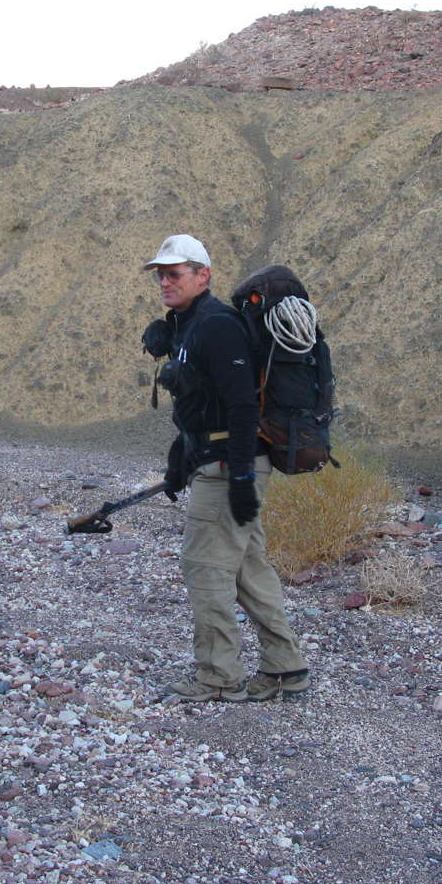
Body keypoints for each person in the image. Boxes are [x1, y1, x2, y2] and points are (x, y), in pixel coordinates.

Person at [142, 233, 310, 703]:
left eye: (175, 274)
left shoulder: (217, 326)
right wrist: (181, 459)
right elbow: (204, 407)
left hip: (229, 466)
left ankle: (218, 676)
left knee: (205, 568)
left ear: (203, 275)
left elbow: (241, 406)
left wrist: (239, 477)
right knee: (248, 570)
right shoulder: (190, 327)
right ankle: (285, 667)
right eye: (161, 275)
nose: (165, 282)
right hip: (218, 461)